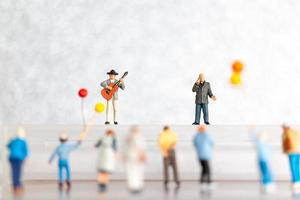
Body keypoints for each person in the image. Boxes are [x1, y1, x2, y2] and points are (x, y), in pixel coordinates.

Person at [249, 128, 275, 193]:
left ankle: (268, 183)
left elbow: (269, 152)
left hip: (265, 160)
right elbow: (253, 138)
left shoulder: (266, 144)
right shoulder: (258, 143)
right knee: (264, 172)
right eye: (260, 136)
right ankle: (266, 184)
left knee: (267, 172)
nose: (262, 137)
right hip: (261, 160)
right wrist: (251, 131)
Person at [122, 126, 146, 193]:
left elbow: (141, 148)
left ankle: (135, 186)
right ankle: (134, 186)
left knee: (135, 172)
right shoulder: (136, 138)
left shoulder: (138, 138)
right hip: (132, 157)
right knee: (134, 172)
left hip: (133, 157)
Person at [7, 127, 29, 195]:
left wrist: (10, 140)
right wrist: (25, 158)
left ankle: (14, 184)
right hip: (19, 158)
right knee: (18, 171)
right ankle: (17, 184)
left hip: (11, 157)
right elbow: (25, 151)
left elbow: (8, 146)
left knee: (14, 171)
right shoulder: (23, 141)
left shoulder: (13, 140)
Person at [193, 125, 213, 190]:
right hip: (206, 155)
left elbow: (195, 144)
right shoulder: (206, 135)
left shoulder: (196, 136)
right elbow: (212, 143)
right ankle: (209, 182)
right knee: (208, 169)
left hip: (199, 155)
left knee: (203, 169)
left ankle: (202, 182)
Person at [282, 124, 300, 193]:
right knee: (297, 166)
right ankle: (298, 180)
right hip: (298, 151)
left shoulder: (285, 133)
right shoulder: (296, 132)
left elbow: (285, 143)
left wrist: (285, 151)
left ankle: (296, 181)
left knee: (293, 166)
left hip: (292, 151)